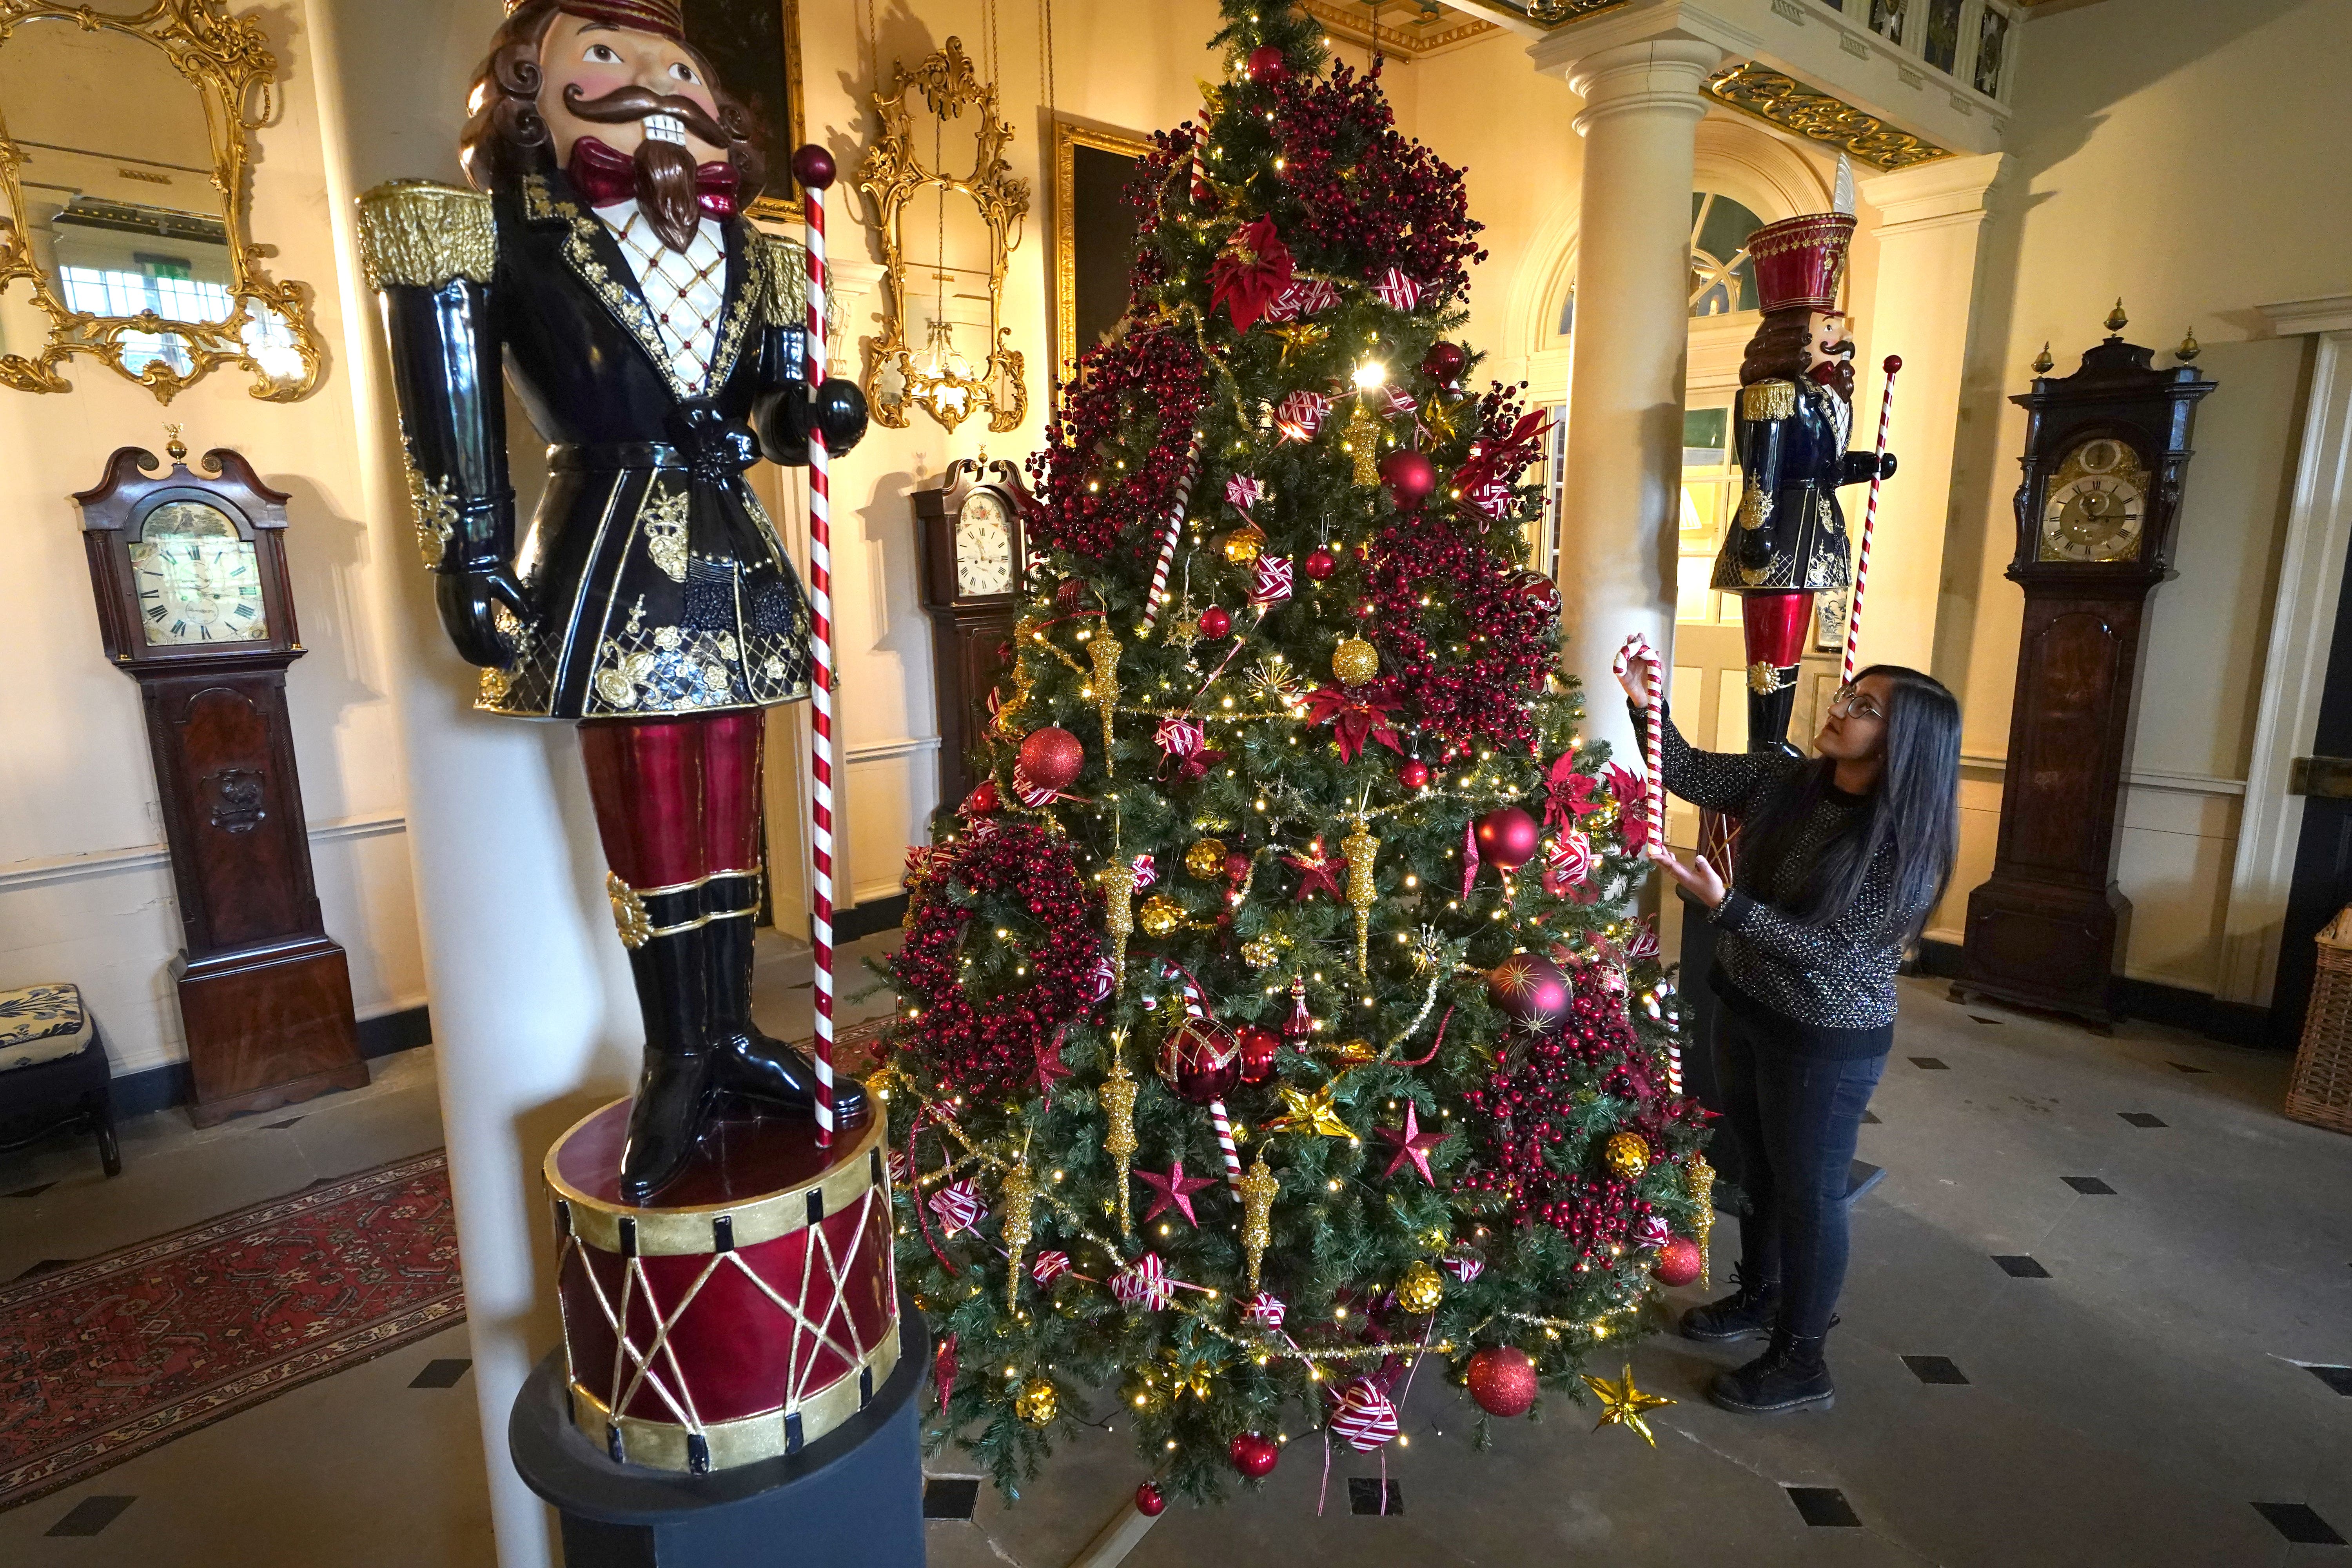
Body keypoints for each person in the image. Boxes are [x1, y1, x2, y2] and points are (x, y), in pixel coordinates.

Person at [357, 0, 869, 1201]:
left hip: (731, 548)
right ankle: (676, 1055)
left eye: (677, 64)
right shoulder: (498, 227)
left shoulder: (768, 248)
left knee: (731, 799)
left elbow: (778, 412)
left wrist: (819, 416)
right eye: (603, 54)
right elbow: (454, 397)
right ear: (528, 95)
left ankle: (734, 1031)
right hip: (608, 542)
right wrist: (467, 553)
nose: (651, 78)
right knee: (651, 815)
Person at [1621, 657, 1961, 1414]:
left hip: (1824, 1038)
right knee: (1763, 1172)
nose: (1840, 707)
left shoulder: (1905, 841)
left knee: (1810, 1192)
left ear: (1903, 738)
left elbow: (1837, 952)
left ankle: (1803, 1359)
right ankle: (1762, 1298)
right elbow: (1688, 772)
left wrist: (1729, 907)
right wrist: (1652, 707)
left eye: (1865, 706)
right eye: (1849, 694)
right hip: (1747, 1007)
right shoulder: (1788, 779)